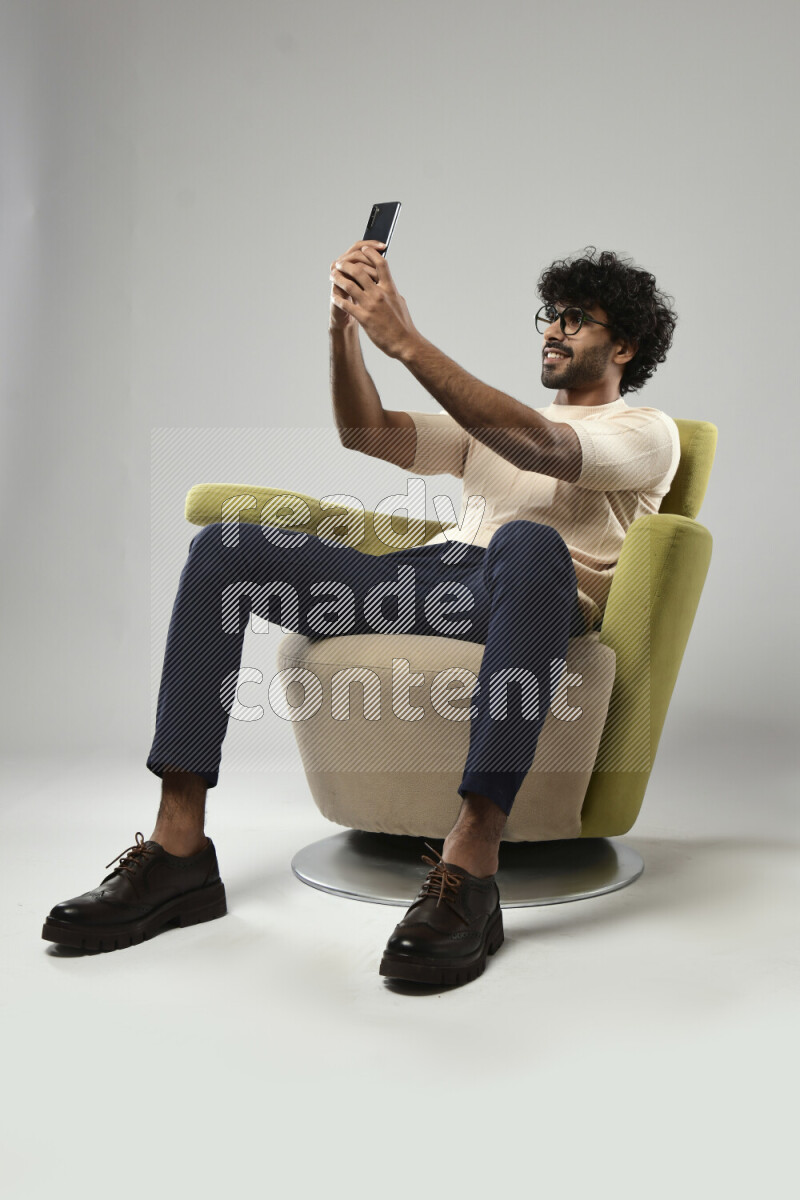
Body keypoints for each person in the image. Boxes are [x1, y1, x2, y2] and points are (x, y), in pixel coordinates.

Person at [41, 241, 680, 988]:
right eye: (552, 314)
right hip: (434, 584)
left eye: (577, 320)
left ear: (624, 346)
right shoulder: (489, 422)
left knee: (527, 540)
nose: (554, 329)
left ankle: (471, 865)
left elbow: (539, 444)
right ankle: (180, 850)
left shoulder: (645, 434)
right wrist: (345, 333)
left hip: (534, 597)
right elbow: (366, 431)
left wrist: (405, 339)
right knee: (227, 547)